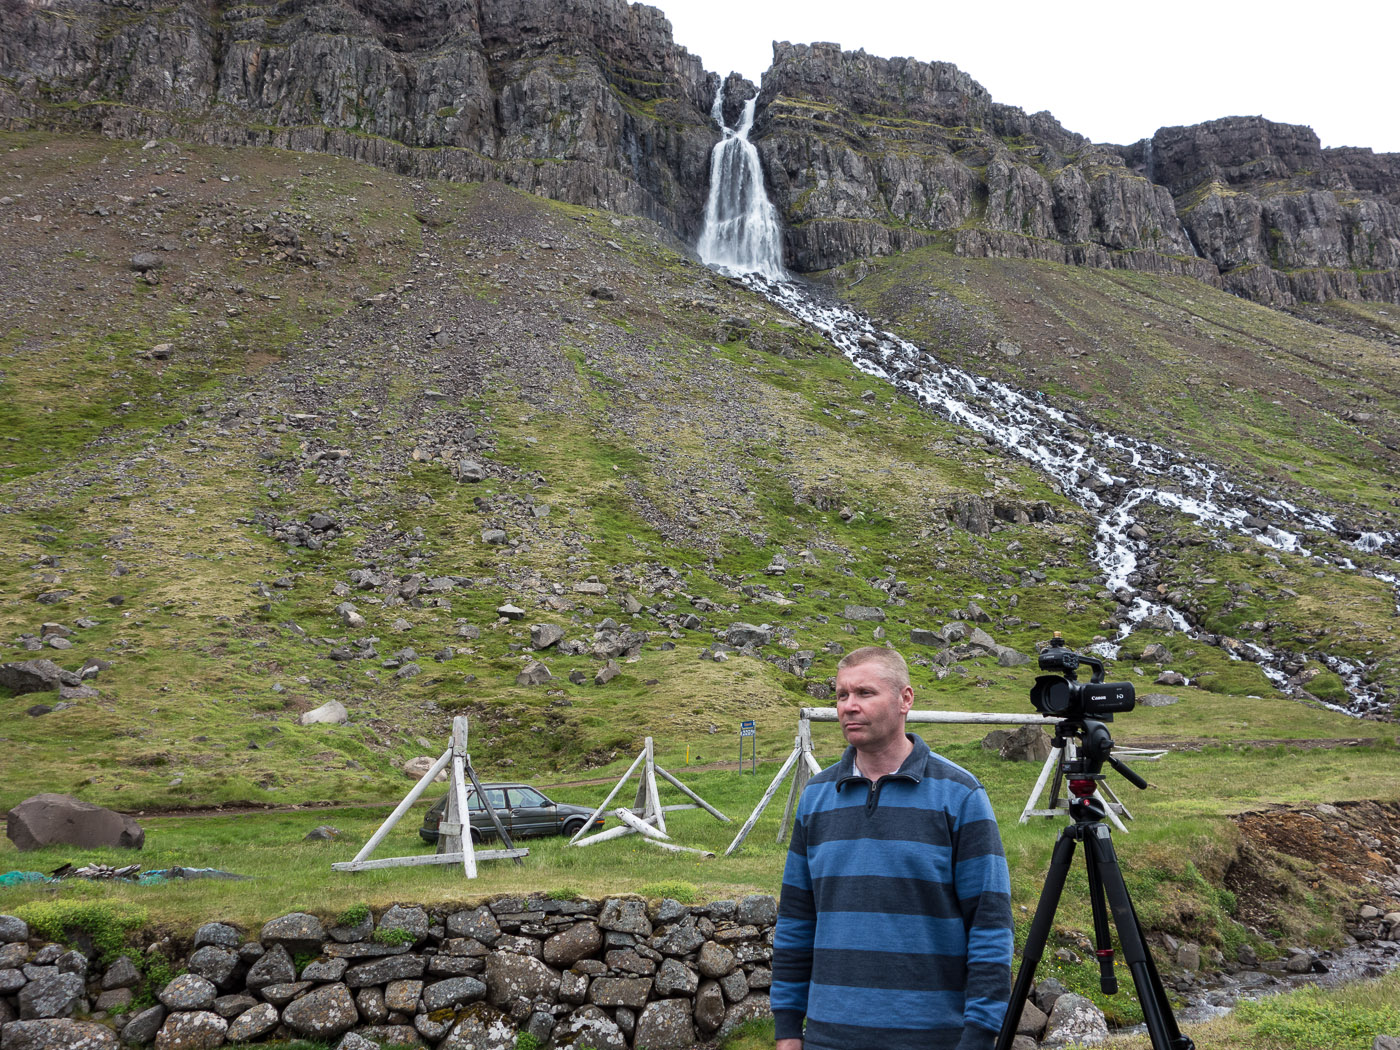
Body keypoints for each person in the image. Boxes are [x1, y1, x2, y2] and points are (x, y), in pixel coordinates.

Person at [771, 645, 1013, 1050]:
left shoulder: (960, 795)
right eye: (841, 695)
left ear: (905, 699)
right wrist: (788, 1029)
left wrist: (979, 1034)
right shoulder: (815, 797)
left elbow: (989, 924)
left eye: (865, 693)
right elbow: (797, 920)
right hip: (828, 1036)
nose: (848, 706)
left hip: (933, 1038)